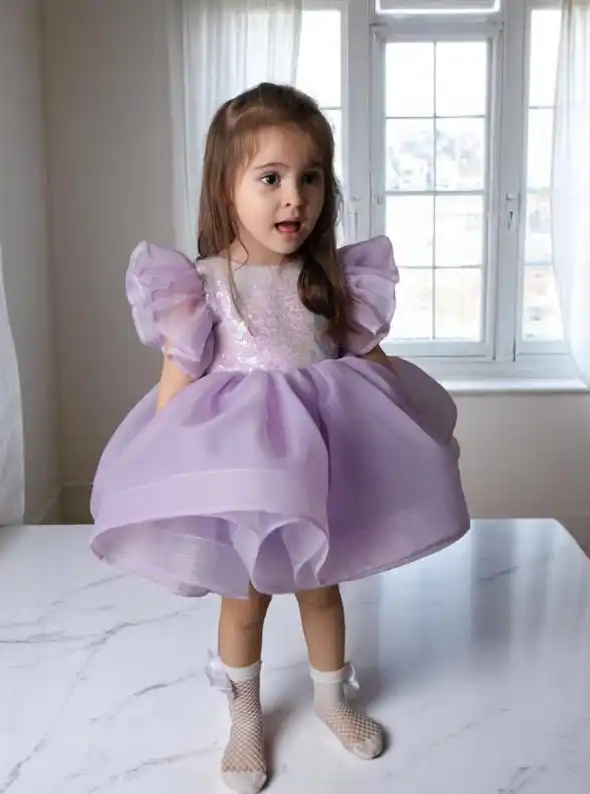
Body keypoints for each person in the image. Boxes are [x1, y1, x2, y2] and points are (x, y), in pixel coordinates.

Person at [90, 82, 469, 793]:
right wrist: (153, 463)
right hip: (243, 470)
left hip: (316, 464)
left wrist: (414, 415)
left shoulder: (328, 281)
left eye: (310, 177)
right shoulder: (202, 285)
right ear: (225, 187)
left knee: (322, 590)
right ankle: (244, 715)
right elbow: (177, 383)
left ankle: (331, 699)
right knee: (248, 596)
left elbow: (368, 361)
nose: (293, 197)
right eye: (270, 179)